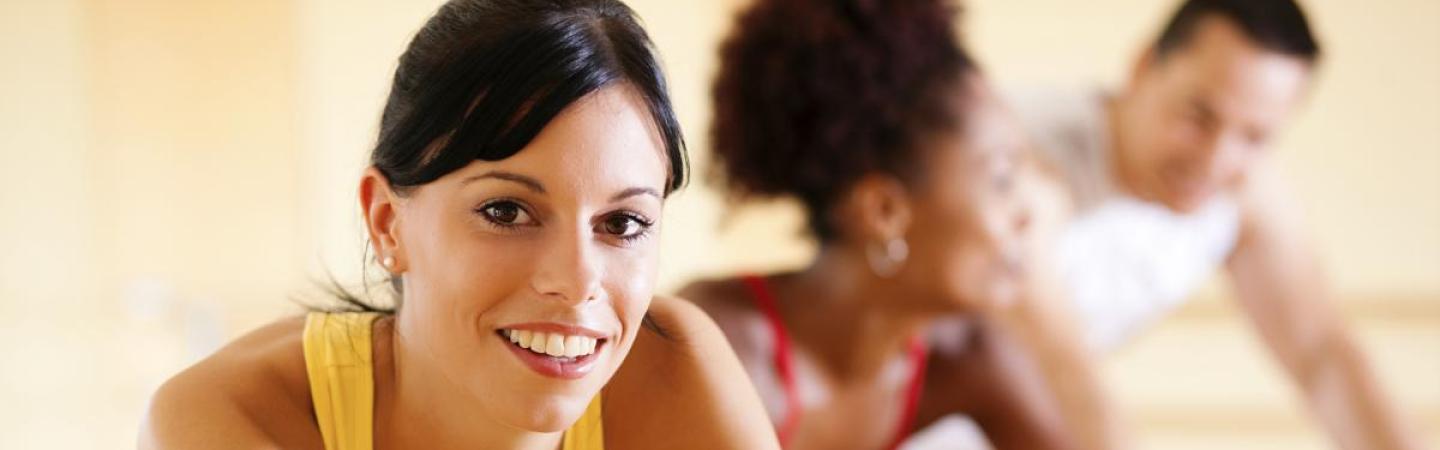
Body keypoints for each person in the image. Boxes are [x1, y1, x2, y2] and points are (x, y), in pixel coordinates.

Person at [139, 1, 779, 449]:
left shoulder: (677, 371)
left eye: (622, 222)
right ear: (387, 222)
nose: (578, 280)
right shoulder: (225, 419)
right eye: (506, 211)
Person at [1007, 0, 1427, 448]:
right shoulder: (1025, 162)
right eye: (1198, 117)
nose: (1215, 160)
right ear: (1144, 66)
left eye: (1254, 135)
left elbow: (1323, 355)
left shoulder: (1240, 193)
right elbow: (1062, 364)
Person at [682, 0, 1080, 448]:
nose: (1028, 214)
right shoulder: (721, 350)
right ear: (883, 212)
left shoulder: (967, 354)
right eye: (1002, 178)